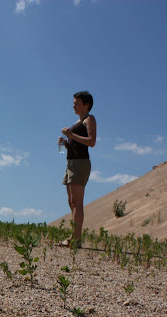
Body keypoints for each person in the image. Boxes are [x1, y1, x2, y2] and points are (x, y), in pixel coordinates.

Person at [58, 90, 96, 249]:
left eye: (77, 103)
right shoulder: (78, 121)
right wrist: (66, 143)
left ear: (86, 105)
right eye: (74, 103)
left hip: (80, 163)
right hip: (72, 162)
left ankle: (76, 239)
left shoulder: (89, 119)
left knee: (77, 202)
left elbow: (91, 141)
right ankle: (73, 237)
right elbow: (77, 144)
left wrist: (70, 135)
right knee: (71, 201)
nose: (74, 105)